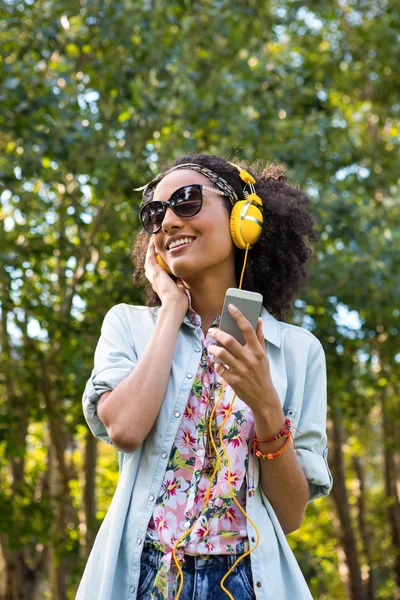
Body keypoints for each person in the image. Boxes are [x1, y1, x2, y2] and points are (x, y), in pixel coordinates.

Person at [76, 154, 333, 600]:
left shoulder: (298, 352)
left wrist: (267, 407)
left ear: (243, 219)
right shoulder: (129, 326)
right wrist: (172, 309)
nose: (168, 221)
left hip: (247, 581)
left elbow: (290, 517)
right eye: (154, 213)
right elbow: (125, 428)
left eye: (187, 201)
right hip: (145, 577)